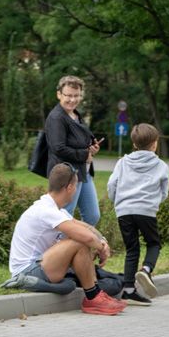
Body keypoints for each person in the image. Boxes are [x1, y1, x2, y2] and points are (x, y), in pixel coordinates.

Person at [8, 163, 127, 316]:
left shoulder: (55, 209)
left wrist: (102, 240)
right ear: (69, 187)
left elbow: (86, 227)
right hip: (27, 271)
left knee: (81, 241)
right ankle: (93, 298)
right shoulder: (46, 210)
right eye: (76, 186)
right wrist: (100, 249)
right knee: (79, 241)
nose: (76, 190)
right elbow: (85, 236)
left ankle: (95, 294)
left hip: (40, 266)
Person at [107, 123, 169, 306]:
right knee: (154, 243)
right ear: (155, 144)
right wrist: (155, 203)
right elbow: (164, 191)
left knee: (132, 249)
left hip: (124, 211)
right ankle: (146, 269)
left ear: (134, 144)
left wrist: (117, 201)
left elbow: (112, 185)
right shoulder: (161, 165)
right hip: (146, 211)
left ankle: (128, 291)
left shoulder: (122, 162)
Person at [44, 75, 102, 226]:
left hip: (83, 172)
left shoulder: (75, 114)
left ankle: (80, 247)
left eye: (76, 96)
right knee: (65, 216)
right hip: (66, 175)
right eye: (68, 95)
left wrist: (91, 147)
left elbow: (77, 140)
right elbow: (58, 148)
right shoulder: (56, 117)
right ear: (59, 94)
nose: (72, 100)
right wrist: (85, 155)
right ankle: (61, 248)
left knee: (92, 216)